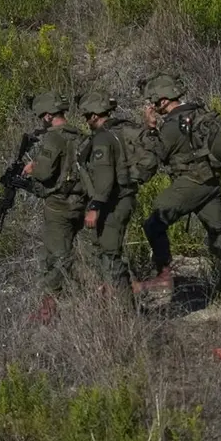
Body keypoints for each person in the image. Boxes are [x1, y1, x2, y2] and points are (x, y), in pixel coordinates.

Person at [132, 74, 221, 294]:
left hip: (192, 182)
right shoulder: (198, 112)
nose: (152, 106)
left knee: (154, 223)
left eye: (154, 101)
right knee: (218, 237)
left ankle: (163, 278)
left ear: (163, 101)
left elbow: (155, 155)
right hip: (211, 182)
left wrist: (149, 128)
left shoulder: (173, 125)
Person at [76, 90, 155, 300]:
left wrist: (94, 207)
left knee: (110, 256)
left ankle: (124, 310)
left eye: (86, 116)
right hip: (122, 198)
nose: (86, 121)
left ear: (94, 115)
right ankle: (119, 301)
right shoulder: (120, 131)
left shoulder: (103, 138)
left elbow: (104, 176)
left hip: (113, 202)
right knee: (108, 253)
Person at [20, 90, 89, 323]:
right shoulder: (80, 135)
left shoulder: (54, 138)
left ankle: (48, 308)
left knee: (55, 255)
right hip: (81, 201)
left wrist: (32, 168)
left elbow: (46, 171)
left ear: (48, 115)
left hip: (58, 204)